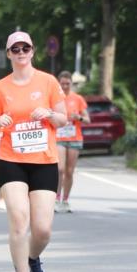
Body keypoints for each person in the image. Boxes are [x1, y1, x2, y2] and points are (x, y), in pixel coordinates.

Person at [0, 31, 67, 272]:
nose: (20, 53)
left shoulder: (48, 82)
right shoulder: (0, 87)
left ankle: (33, 257)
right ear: (8, 54)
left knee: (42, 230)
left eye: (24, 48)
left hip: (43, 161)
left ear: (32, 51)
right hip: (11, 160)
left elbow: (63, 119)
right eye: (14, 49)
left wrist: (50, 114)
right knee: (18, 219)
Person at [55, 71, 90, 213]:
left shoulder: (78, 99)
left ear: (71, 83)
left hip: (75, 138)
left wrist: (78, 118)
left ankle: (66, 200)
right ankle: (57, 198)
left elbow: (87, 120)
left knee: (69, 172)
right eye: (62, 84)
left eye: (67, 84)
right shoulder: (55, 98)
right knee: (60, 169)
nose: (64, 86)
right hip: (59, 139)